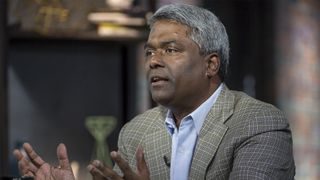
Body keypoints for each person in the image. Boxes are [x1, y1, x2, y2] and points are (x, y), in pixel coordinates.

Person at [13, 3, 295, 180]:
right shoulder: (136, 132)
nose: (153, 61)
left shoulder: (258, 124)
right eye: (149, 51)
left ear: (210, 64)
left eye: (170, 50)